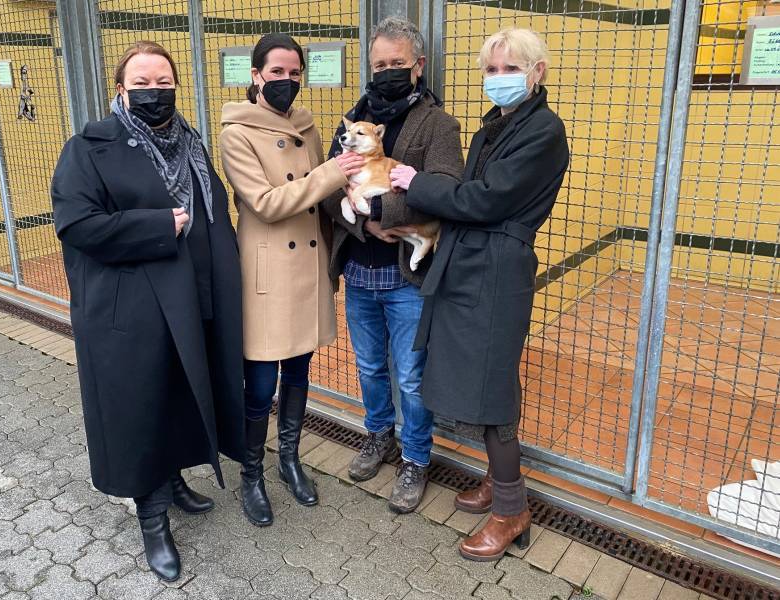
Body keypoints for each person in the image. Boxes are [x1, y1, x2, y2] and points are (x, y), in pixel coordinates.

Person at [50, 41, 246, 581]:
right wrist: (159, 226)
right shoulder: (89, 146)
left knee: (182, 392)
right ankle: (152, 514)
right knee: (141, 405)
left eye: (164, 81)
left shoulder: (190, 141)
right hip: (131, 307)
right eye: (142, 82)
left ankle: (176, 479)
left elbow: (212, 213)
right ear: (120, 88)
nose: (154, 91)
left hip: (191, 296)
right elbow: (79, 226)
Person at [390, 28, 570, 560]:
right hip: (475, 263)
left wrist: (414, 182)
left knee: (491, 393)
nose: (497, 79)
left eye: (509, 69)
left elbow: (486, 199)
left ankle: (511, 510)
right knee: (484, 379)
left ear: (537, 71)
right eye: (489, 70)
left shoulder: (543, 131)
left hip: (496, 267)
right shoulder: (500, 125)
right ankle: (500, 480)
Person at [218, 33, 363, 527]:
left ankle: (289, 460)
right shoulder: (235, 132)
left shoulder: (306, 125)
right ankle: (251, 476)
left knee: (299, 373)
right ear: (255, 74)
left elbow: (320, 201)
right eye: (276, 72)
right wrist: (332, 174)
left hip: (305, 270)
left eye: (294, 72)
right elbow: (266, 203)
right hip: (265, 273)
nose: (286, 81)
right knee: (259, 384)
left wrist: (333, 261)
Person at [321, 17, 464, 514]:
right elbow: (329, 190)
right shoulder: (352, 120)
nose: (386, 72)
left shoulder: (439, 125)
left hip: (406, 275)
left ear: (418, 66)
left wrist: (384, 213)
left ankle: (416, 458)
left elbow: (446, 191)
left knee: (409, 373)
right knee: (368, 366)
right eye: (379, 64)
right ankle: (377, 436)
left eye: (396, 64)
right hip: (360, 268)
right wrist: (366, 226)